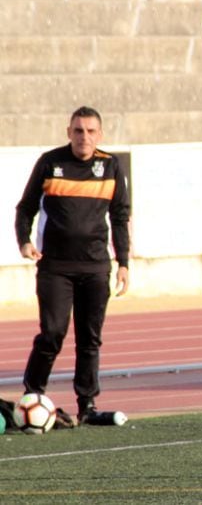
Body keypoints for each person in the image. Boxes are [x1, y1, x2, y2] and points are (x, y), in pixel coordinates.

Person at [14, 106, 130, 424]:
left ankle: (87, 405)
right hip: (55, 266)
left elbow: (120, 217)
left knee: (89, 338)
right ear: (69, 132)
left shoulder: (110, 166)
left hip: (95, 267)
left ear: (100, 135)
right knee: (52, 333)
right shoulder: (51, 163)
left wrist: (123, 262)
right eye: (78, 131)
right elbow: (25, 207)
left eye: (91, 131)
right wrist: (24, 241)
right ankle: (32, 394)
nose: (84, 137)